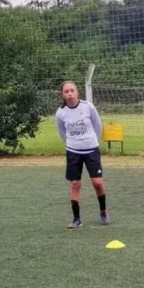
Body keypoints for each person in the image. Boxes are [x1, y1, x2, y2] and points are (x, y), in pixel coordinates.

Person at [56, 81, 109, 228]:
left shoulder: (88, 107)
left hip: (91, 150)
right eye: (66, 91)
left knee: (97, 183)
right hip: (73, 152)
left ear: (77, 92)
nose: (70, 93)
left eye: (72, 90)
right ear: (62, 95)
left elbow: (97, 126)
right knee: (75, 184)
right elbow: (63, 133)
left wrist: (90, 142)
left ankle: (103, 211)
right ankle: (76, 219)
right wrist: (73, 143)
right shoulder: (61, 113)